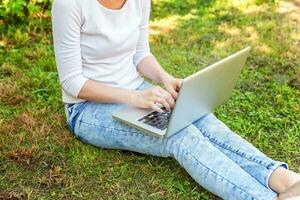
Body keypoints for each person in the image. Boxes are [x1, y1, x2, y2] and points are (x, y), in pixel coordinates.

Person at [51, 0, 300, 199]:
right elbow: (72, 82)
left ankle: (283, 179)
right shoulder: (69, 5)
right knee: (178, 135)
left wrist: (166, 79)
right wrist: (135, 97)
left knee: (199, 117)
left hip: (137, 92)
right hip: (88, 109)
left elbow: (140, 54)